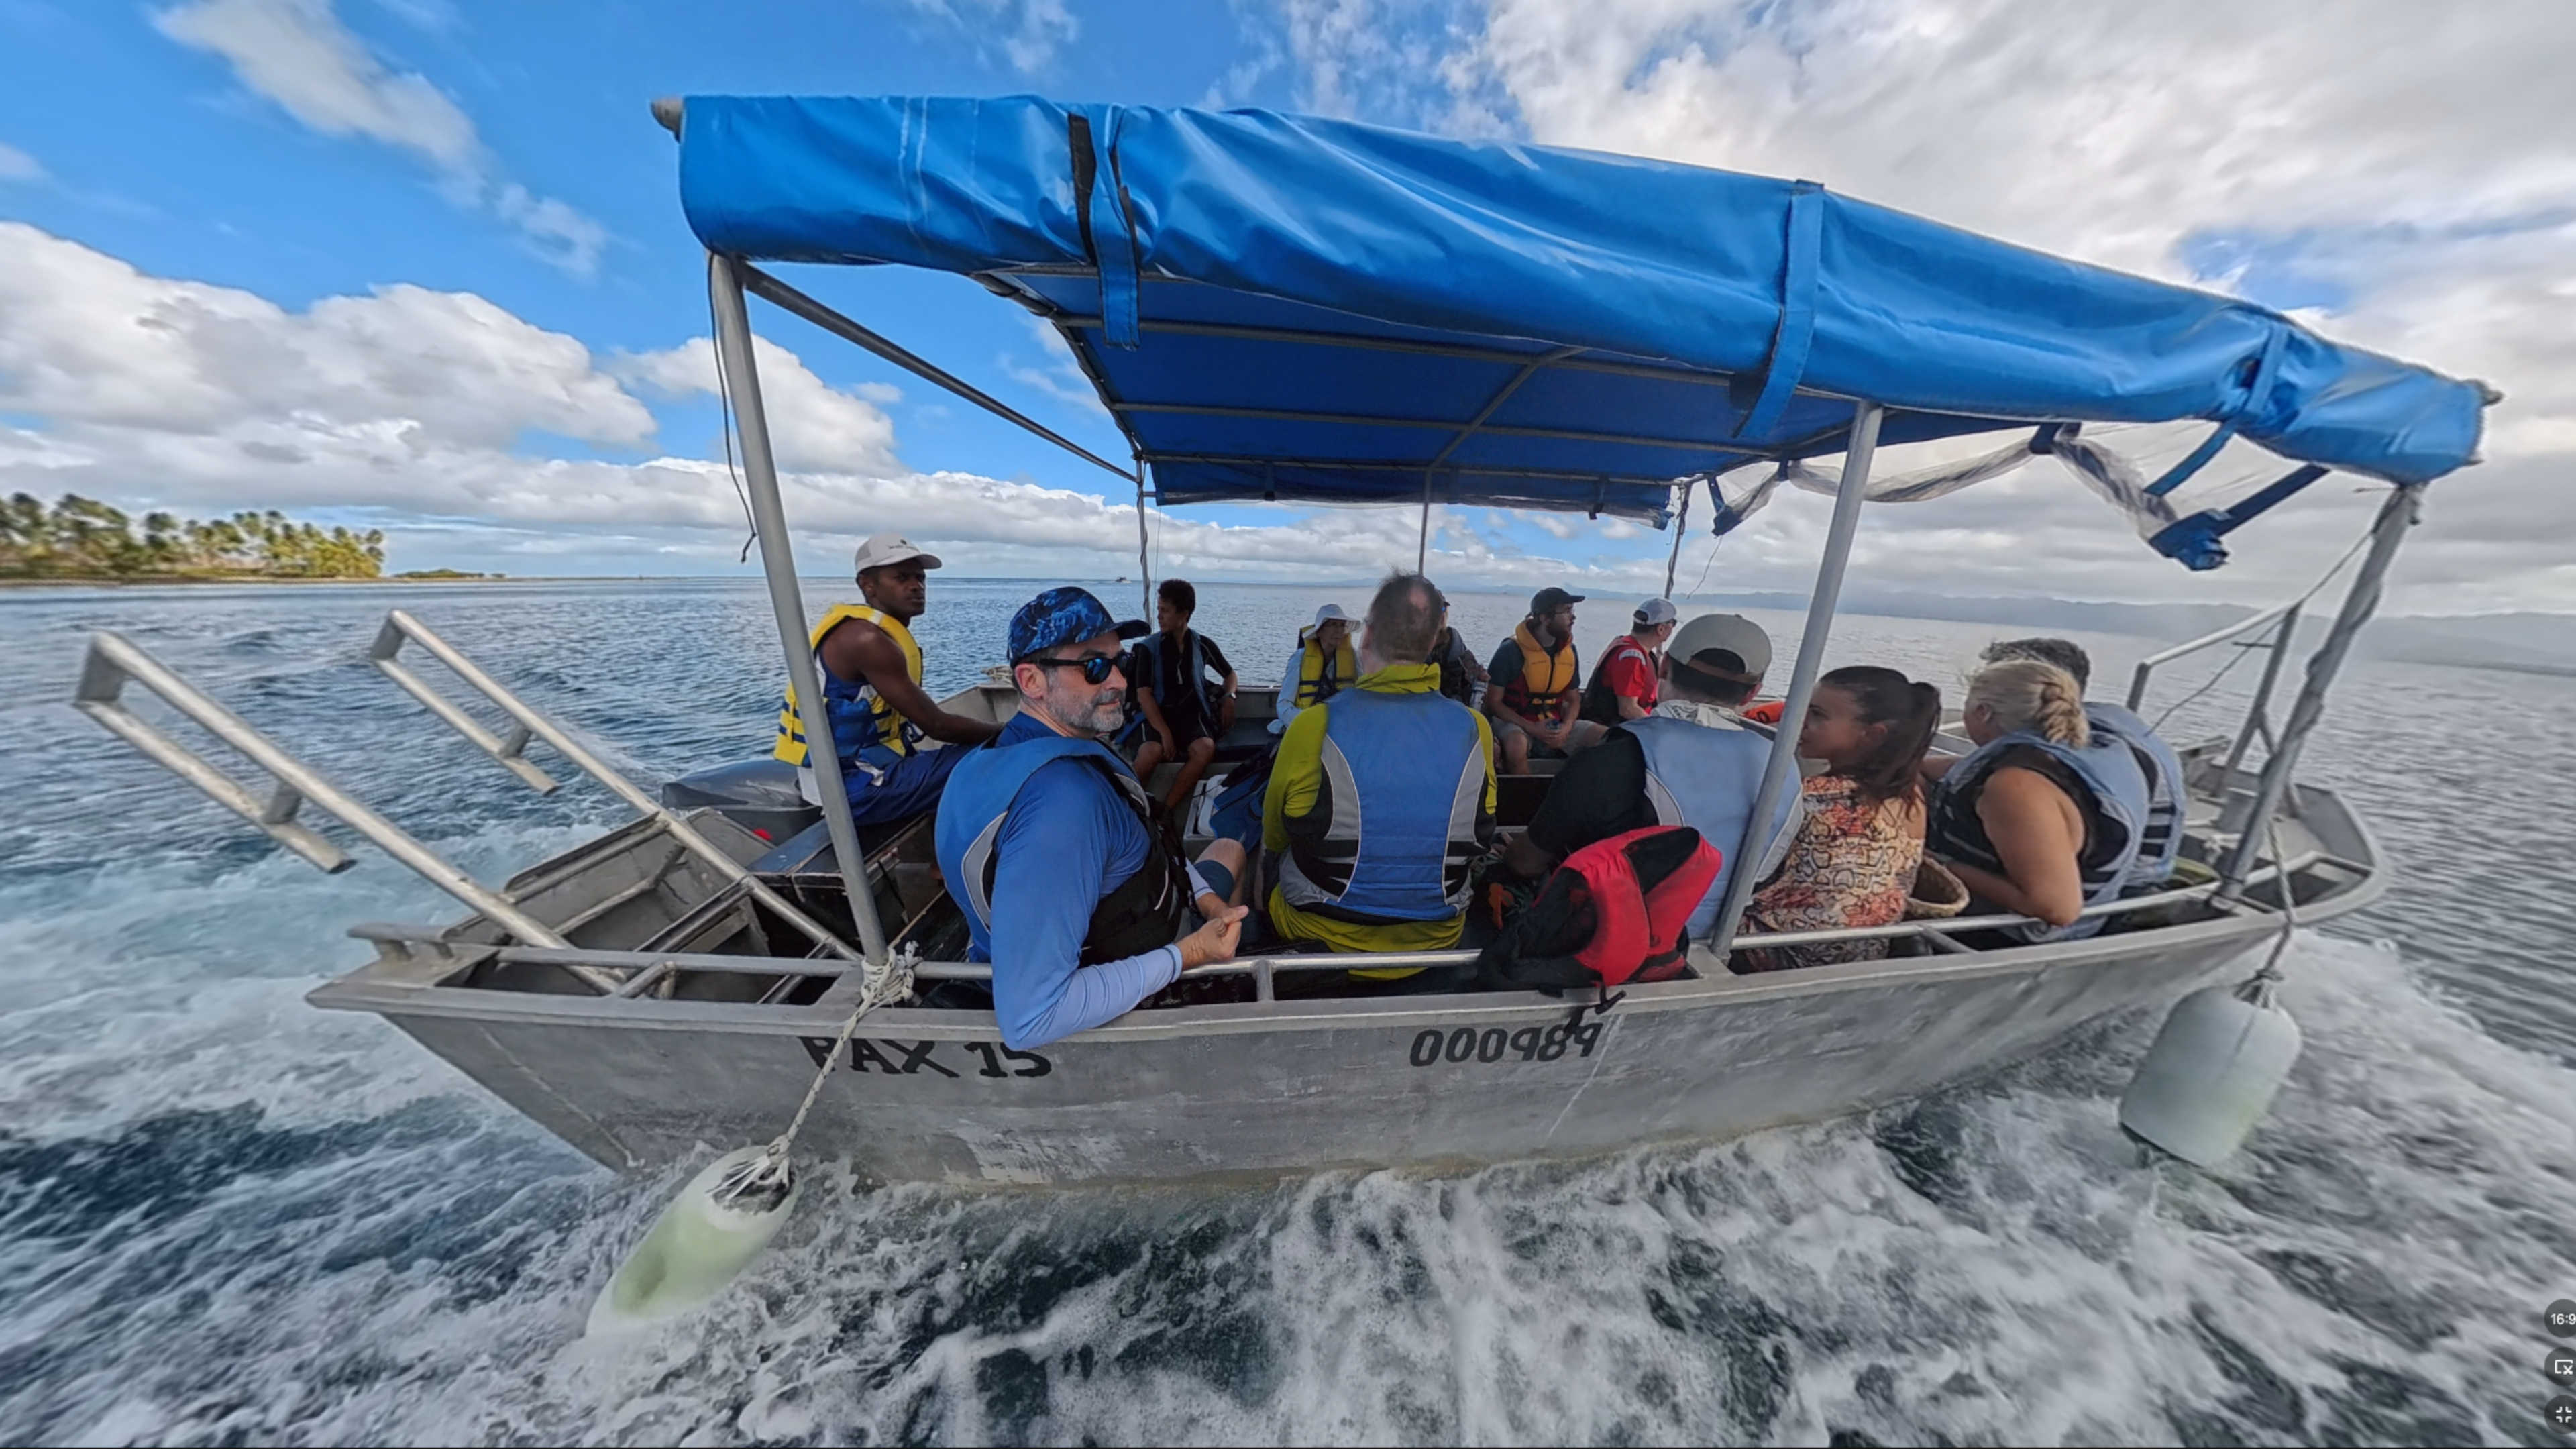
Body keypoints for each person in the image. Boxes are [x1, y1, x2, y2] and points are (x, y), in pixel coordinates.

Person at [933, 586, 1248, 1051]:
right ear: (1032, 680)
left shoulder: (1006, 755)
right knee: (1236, 850)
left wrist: (1206, 902)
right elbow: (1031, 1017)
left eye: (1118, 662)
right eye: (1093, 666)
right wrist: (1192, 953)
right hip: (1130, 974)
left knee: (1228, 849)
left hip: (1137, 910)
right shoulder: (1062, 807)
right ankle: (1218, 1003)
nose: (1119, 681)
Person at [1506, 612, 1802, 941]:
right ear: (1753, 693)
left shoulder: (1615, 757)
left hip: (1618, 942)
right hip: (1727, 938)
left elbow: (1526, 863)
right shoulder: (1785, 770)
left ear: (1662, 669)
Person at [1265, 572, 1498, 978]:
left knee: (1264, 855)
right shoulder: (1475, 728)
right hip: (1437, 938)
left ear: (1367, 637)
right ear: (1432, 642)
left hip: (1322, 933)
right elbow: (1483, 831)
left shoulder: (1313, 725)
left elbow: (1275, 834)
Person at [773, 533, 1001, 826]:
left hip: (861, 775)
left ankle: (941, 858)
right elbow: (938, 726)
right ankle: (954, 864)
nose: (916, 586)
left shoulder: (873, 631)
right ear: (867, 585)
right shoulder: (866, 640)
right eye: (902, 578)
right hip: (853, 790)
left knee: (976, 755)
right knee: (997, 758)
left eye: (920, 578)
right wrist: (1012, 731)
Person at [1924, 658, 2149, 942]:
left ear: (1983, 713)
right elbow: (1955, 769)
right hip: (2101, 910)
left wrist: (1935, 863)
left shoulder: (2014, 788)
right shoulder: (2074, 750)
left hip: (2015, 939)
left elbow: (2057, 908)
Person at [1740, 667, 1943, 971]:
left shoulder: (1812, 796)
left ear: (1872, 735)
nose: (1800, 721)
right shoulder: (1911, 796)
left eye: (1818, 715)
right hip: (1862, 955)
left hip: (1781, 956)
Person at [1970, 637, 2186, 891]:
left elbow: (2055, 906)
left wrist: (1946, 865)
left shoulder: (2025, 781)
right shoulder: (2092, 735)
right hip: (2122, 877)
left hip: (2110, 896)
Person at [1128, 578, 1239, 816]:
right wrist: (1165, 734)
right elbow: (1144, 695)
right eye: (1159, 610)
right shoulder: (1148, 649)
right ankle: (1126, 807)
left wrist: (1230, 696)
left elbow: (1229, 674)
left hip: (1188, 715)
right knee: (1151, 752)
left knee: (1205, 748)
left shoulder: (1201, 645)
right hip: (1155, 714)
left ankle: (1166, 811)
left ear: (1184, 614)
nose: (1159, 617)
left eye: (1165, 611)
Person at [1488, 586, 1609, 771]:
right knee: (1516, 746)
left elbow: (1574, 699)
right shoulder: (1510, 651)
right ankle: (1526, 797)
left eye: (1572, 610)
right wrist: (1532, 728)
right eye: (1567, 611)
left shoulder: (1570, 652)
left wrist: (1567, 728)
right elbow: (1493, 702)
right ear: (1545, 618)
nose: (1573, 617)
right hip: (1516, 721)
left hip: (1556, 722)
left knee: (1607, 737)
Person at [1580, 598, 1678, 724]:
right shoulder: (1631, 657)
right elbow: (1628, 709)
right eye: (1673, 623)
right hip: (1614, 727)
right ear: (1661, 629)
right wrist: (1657, 729)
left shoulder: (1629, 646)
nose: (1673, 628)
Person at [1273, 603, 1356, 734]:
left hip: (1341, 727)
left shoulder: (1353, 658)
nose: (1339, 630)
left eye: (1342, 625)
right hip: (1307, 725)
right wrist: (1310, 722)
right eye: (1333, 624)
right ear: (1320, 631)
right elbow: (1283, 706)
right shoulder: (1300, 658)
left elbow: (1362, 694)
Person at [1432, 608, 1489, 709]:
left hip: (1454, 703)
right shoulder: (1406, 644)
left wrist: (1479, 674)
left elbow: (1468, 662)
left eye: (1443, 608)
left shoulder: (1452, 637)